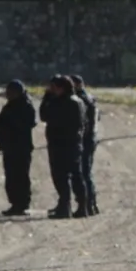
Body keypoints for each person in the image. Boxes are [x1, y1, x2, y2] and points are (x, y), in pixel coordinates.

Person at [39, 75, 88, 219]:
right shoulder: (79, 101)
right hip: (74, 143)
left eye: (54, 87)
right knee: (76, 175)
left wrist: (47, 97)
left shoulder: (60, 102)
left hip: (60, 144)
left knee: (61, 176)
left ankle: (65, 207)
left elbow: (44, 115)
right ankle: (82, 206)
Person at [0, 80, 37, 216]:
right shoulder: (11, 105)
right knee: (11, 176)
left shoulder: (25, 106)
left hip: (20, 147)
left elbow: (28, 124)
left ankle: (21, 204)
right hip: (10, 147)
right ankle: (15, 203)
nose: (7, 94)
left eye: (10, 91)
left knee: (20, 176)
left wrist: (8, 126)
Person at [70, 74, 100, 215]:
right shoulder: (90, 98)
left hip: (85, 139)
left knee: (83, 172)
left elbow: (84, 122)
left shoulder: (81, 99)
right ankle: (91, 204)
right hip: (91, 138)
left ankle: (88, 204)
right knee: (86, 171)